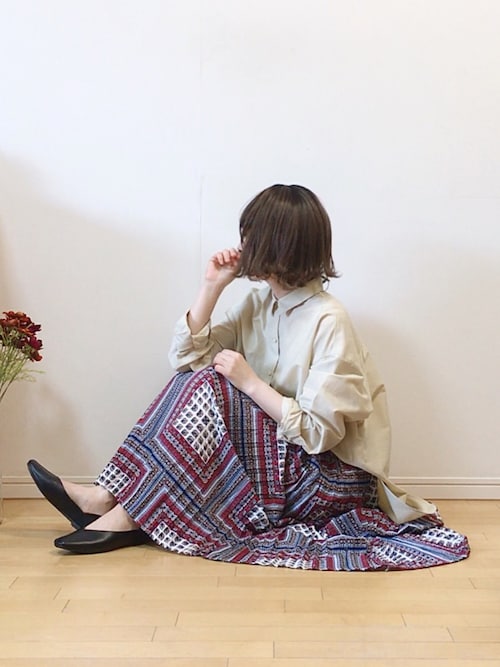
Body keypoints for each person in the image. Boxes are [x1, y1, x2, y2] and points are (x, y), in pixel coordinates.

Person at [28, 184, 469, 570]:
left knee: (216, 384)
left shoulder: (329, 320)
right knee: (197, 379)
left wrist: (251, 383)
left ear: (278, 246)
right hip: (283, 461)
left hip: (332, 481)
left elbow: (321, 435)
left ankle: (125, 512)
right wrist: (212, 286)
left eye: (251, 236)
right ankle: (109, 498)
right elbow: (186, 360)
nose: (242, 245)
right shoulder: (259, 305)